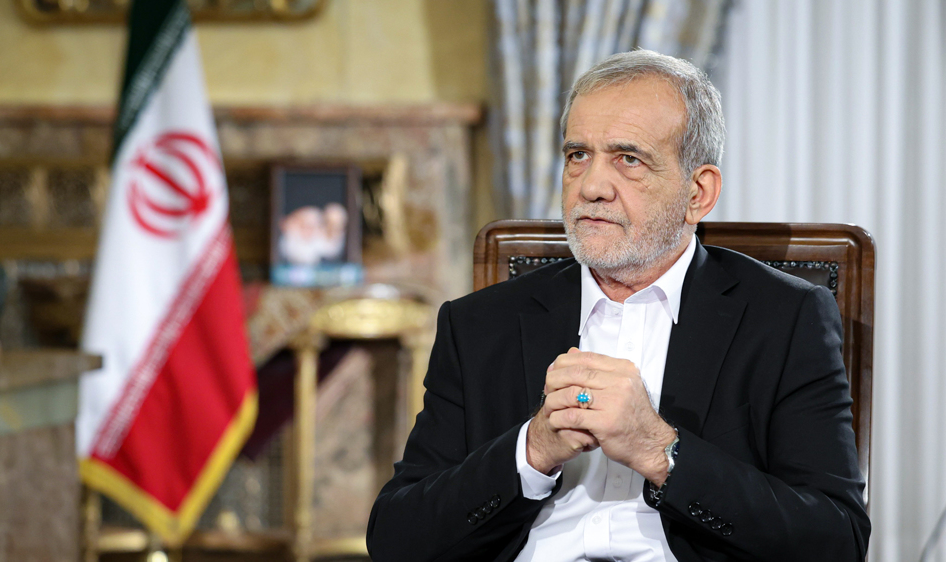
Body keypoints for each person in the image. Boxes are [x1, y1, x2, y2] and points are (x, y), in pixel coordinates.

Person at [367, 50, 870, 561]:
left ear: (698, 193)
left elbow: (836, 541)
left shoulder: (783, 320)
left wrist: (662, 452)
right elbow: (396, 539)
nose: (591, 186)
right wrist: (531, 452)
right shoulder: (480, 324)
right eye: (577, 155)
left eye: (628, 159)